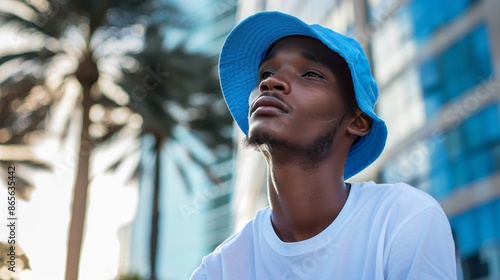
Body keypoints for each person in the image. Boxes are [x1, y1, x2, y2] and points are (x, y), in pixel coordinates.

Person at [191, 11, 457, 280]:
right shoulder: (220, 269)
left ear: (357, 122)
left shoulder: (403, 218)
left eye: (310, 73)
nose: (270, 82)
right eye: (266, 72)